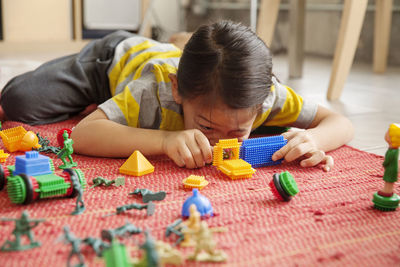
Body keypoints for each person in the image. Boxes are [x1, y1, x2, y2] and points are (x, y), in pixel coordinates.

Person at [0, 20, 354, 171]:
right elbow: (82, 134)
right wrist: (166, 140)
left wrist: (311, 137)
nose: (218, 144)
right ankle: (163, 47)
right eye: (208, 126)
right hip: (111, 60)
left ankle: (179, 43)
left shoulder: (264, 95)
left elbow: (339, 122)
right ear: (177, 92)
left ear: (260, 107)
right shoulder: (154, 92)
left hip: (174, 66)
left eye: (237, 131)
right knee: (19, 101)